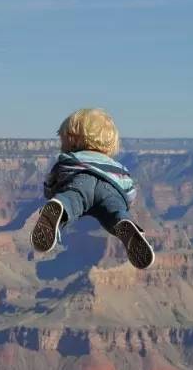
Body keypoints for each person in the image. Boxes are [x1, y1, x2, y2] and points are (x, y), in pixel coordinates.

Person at [31, 107, 154, 269]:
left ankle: (59, 208)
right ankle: (125, 221)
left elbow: (54, 178)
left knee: (71, 200)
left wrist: (52, 193)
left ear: (72, 140)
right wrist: (126, 204)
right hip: (111, 189)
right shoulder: (117, 167)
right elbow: (130, 189)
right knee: (113, 215)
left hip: (80, 182)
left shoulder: (71, 158)